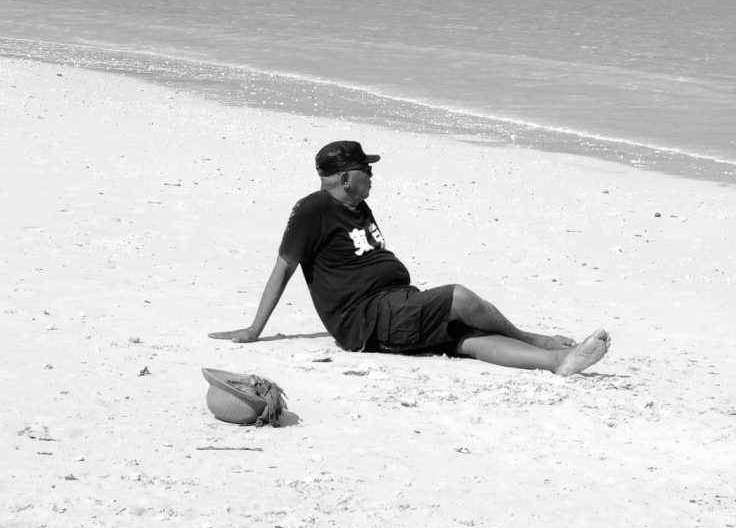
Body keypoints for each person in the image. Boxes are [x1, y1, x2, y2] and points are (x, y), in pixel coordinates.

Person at [210, 137, 611, 376]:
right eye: (366, 169)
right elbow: (284, 266)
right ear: (346, 177)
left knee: (467, 340)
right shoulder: (312, 210)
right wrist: (255, 329)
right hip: (369, 318)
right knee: (459, 298)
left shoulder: (357, 206)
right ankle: (533, 338)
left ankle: (557, 361)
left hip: (395, 305)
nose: (372, 175)